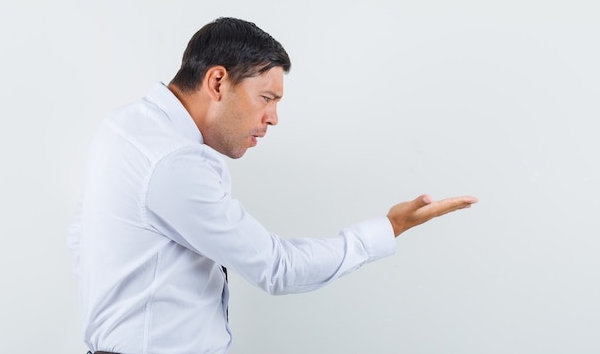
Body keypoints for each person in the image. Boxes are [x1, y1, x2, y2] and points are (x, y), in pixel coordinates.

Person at [68, 17, 478, 354]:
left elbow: (80, 237)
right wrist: (389, 229)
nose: (273, 117)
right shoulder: (176, 162)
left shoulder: (124, 126)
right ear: (216, 83)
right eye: (267, 98)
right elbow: (276, 267)